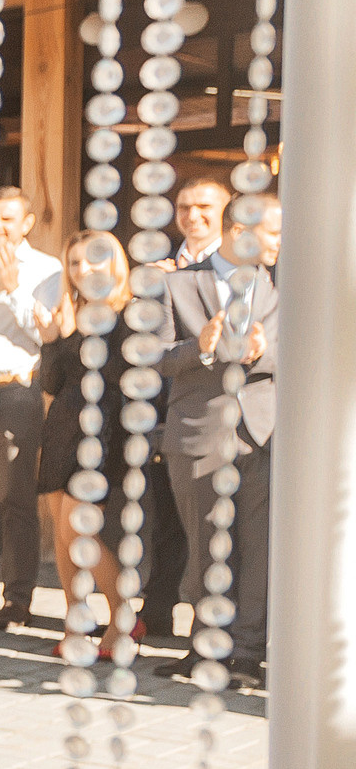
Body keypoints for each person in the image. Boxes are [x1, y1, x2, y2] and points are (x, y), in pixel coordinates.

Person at [153, 191, 280, 684]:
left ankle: (248, 653)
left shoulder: (288, 284)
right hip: (199, 431)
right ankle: (206, 647)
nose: (280, 241)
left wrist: (258, 357)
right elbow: (152, 358)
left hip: (263, 432)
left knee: (258, 547)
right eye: (273, 231)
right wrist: (198, 348)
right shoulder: (175, 284)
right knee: (205, 545)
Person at [136, 176, 233, 635]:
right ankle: (156, 611)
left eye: (203, 207)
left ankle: (209, 627)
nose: (192, 216)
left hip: (224, 416)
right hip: (163, 409)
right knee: (167, 520)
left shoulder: (238, 267)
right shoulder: (160, 271)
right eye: (183, 207)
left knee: (209, 526)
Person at [38, 233, 139, 654]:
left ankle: (123, 619)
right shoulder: (71, 312)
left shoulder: (130, 312)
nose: (83, 271)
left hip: (103, 427)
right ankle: (75, 622)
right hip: (63, 424)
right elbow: (51, 384)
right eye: (74, 264)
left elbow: (122, 377)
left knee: (77, 528)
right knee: (61, 532)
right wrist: (53, 340)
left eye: (93, 261)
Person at [0, 186, 66, 629]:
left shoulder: (47, 269)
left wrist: (11, 291)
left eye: (8, 219)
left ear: (28, 223)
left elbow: (46, 335)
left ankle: (17, 600)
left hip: (16, 391)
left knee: (14, 499)